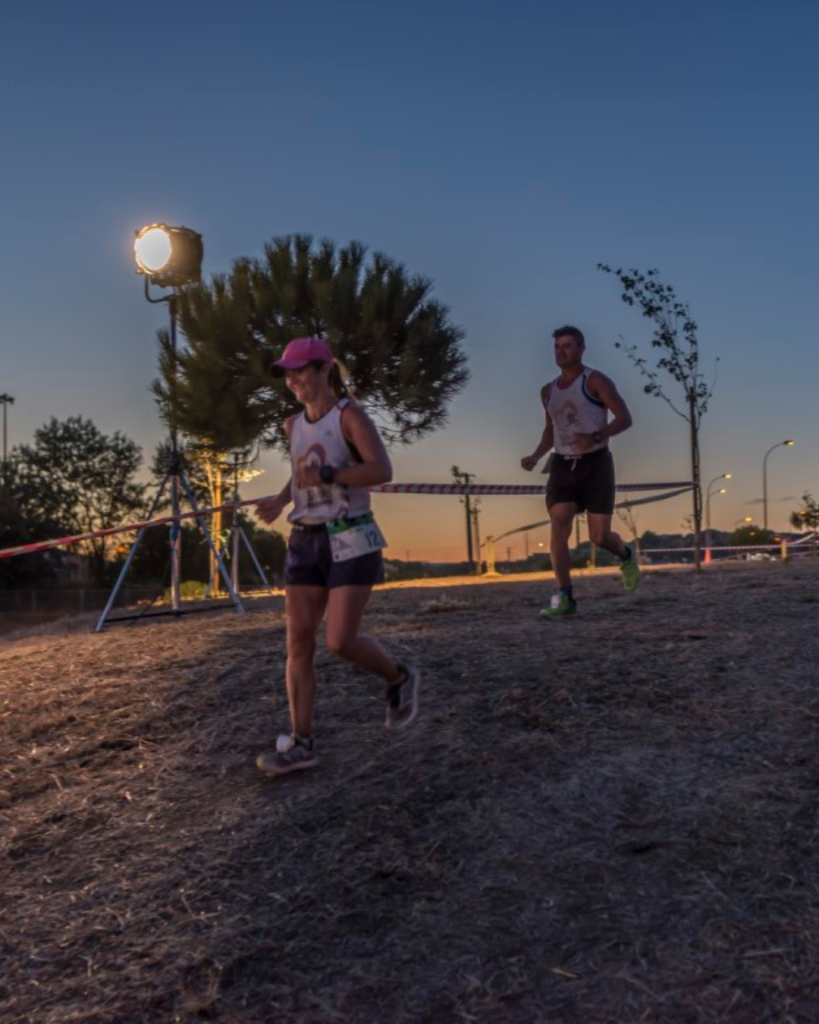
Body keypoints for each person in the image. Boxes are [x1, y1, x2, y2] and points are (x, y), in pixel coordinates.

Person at [255, 336, 420, 776]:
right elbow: (301, 472)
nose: (292, 380)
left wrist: (330, 473)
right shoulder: (293, 425)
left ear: (325, 369)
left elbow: (381, 470)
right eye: (286, 373)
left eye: (300, 370)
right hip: (305, 540)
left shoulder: (350, 417)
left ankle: (398, 676)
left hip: (351, 534)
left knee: (339, 641)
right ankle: (301, 743)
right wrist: (280, 499)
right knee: (298, 641)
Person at [521, 325, 640, 617]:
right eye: (557, 347)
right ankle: (565, 598)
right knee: (559, 523)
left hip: (596, 463)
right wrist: (536, 455)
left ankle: (626, 555)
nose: (561, 351)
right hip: (562, 466)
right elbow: (551, 430)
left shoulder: (595, 381)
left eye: (568, 346)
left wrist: (596, 436)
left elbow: (625, 418)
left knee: (599, 537)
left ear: (581, 348)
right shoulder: (547, 391)